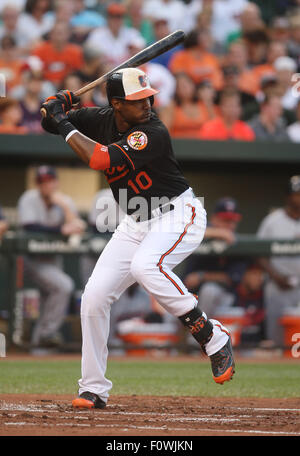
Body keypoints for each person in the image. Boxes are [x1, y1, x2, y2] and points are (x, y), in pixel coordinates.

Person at [41, 66, 235, 409]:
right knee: (94, 297)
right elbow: (48, 121)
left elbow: (99, 159)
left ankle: (211, 334)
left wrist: (64, 120)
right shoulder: (101, 118)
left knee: (147, 266)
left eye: (149, 98)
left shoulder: (152, 130)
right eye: (137, 100)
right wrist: (59, 104)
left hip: (178, 212)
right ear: (116, 104)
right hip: (136, 221)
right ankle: (93, 388)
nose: (147, 104)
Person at [17, 165, 86, 349]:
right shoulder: (29, 198)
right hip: (32, 259)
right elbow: (30, 226)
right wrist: (60, 230)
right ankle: (47, 333)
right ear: (37, 185)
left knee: (49, 300)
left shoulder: (64, 201)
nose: (46, 185)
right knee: (63, 286)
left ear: (56, 182)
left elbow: (78, 225)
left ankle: (38, 345)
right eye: (42, 182)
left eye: (50, 181)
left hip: (54, 259)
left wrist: (63, 206)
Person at [184, 197, 248, 318]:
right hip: (192, 292)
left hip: (225, 298)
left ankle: (199, 333)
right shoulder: (202, 231)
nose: (229, 226)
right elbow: (186, 231)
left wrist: (202, 276)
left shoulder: (237, 243)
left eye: (233, 221)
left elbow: (233, 278)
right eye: (225, 220)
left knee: (209, 291)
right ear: (213, 219)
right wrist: (218, 233)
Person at [257, 175, 300, 347]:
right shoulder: (272, 221)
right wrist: (276, 276)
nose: (298, 198)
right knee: (276, 337)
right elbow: (258, 252)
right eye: (295, 194)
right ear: (288, 197)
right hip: (278, 284)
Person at [85, 2, 144, 67]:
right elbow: (90, 54)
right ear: (108, 18)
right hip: (104, 71)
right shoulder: (97, 34)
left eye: (119, 17)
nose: (116, 20)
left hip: (127, 69)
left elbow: (140, 49)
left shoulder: (131, 33)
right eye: (113, 16)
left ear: (123, 19)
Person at [32, 21, 83, 88]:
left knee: (73, 82)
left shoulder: (76, 52)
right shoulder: (40, 50)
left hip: (66, 84)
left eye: (61, 33)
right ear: (50, 34)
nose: (58, 36)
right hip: (45, 84)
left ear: (68, 34)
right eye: (55, 33)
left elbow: (78, 72)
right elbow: (35, 72)